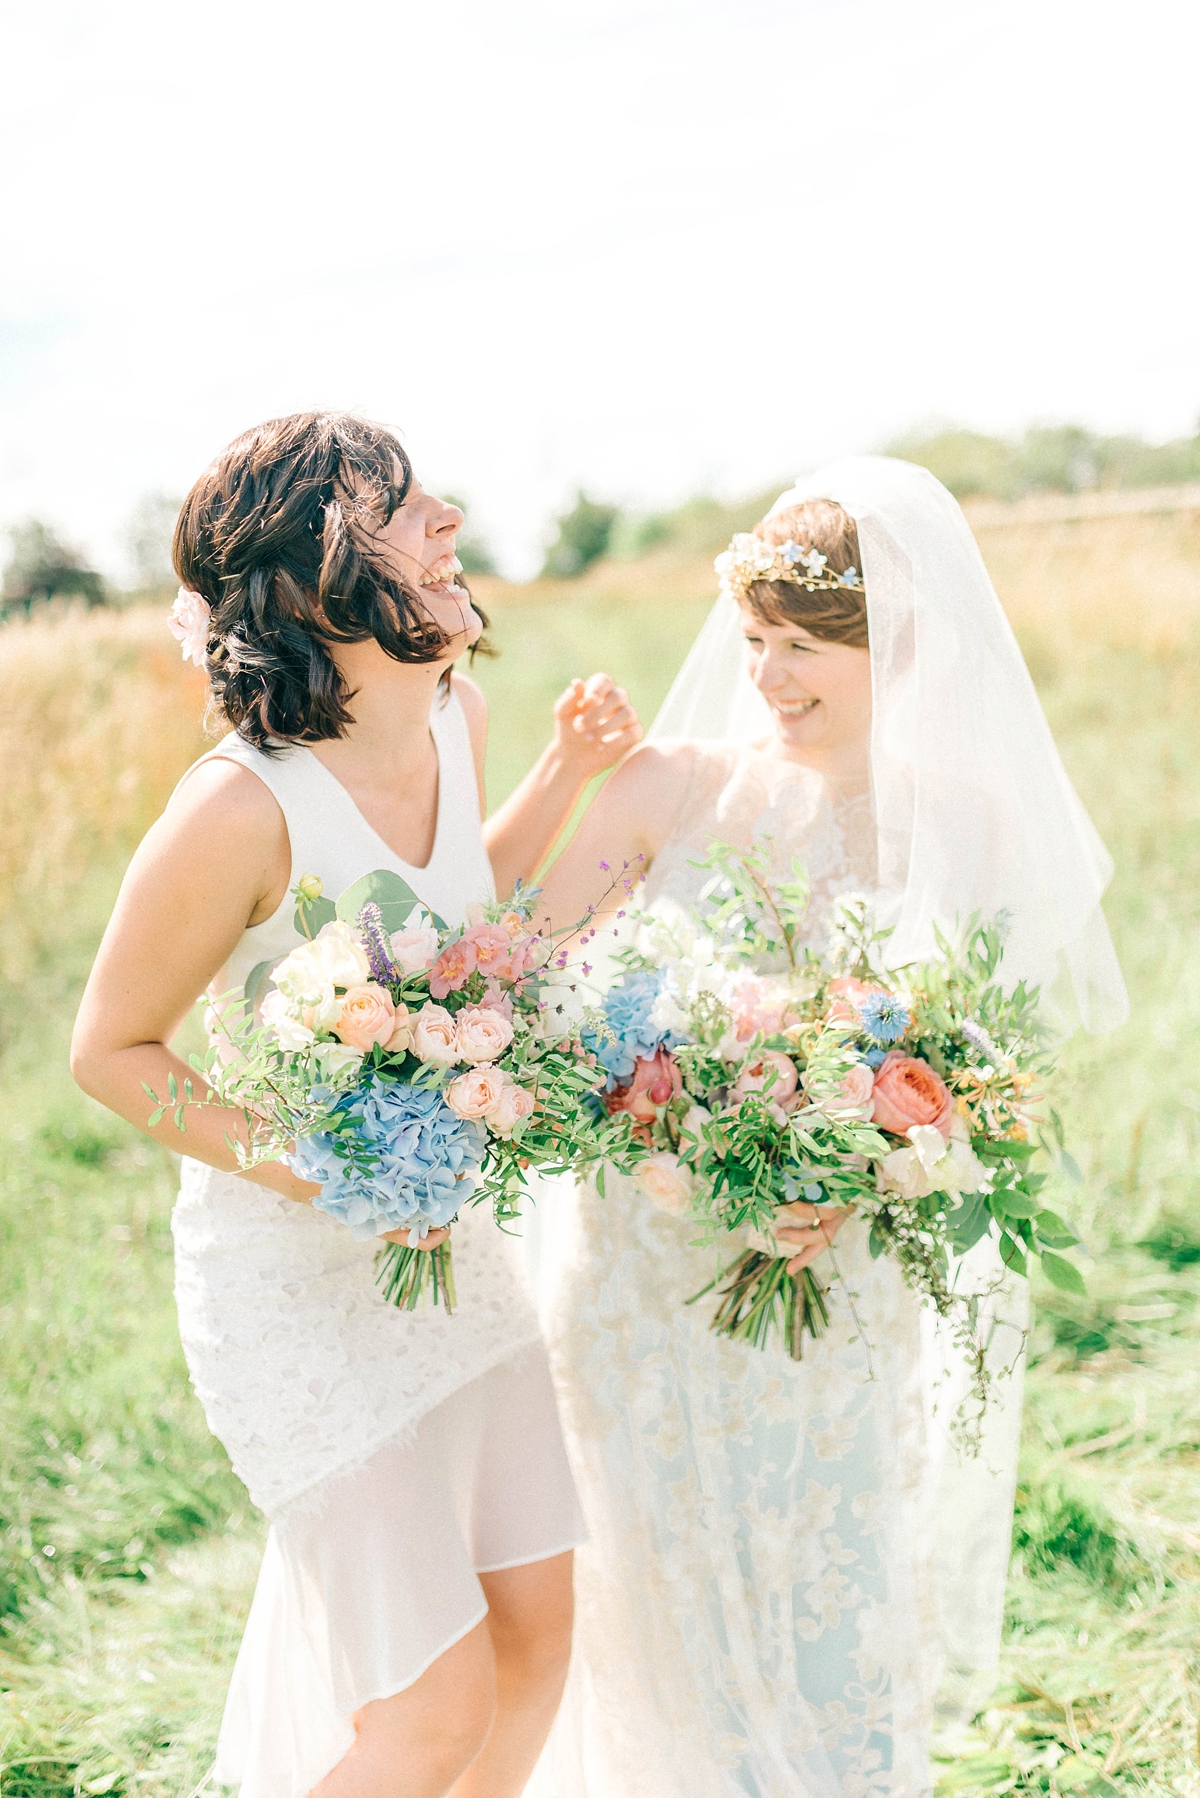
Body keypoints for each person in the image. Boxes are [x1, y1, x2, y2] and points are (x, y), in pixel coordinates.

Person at [527, 456, 1127, 1797]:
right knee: (656, 1604)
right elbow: (518, 988)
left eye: (807, 647)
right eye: (754, 641)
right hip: (637, 1280)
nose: (770, 677)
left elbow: (985, 1085)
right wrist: (646, 1105)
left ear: (899, 647)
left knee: (829, 1587)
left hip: (833, 1276)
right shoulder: (665, 791)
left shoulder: (962, 830)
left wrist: (869, 1175)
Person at [70, 411, 642, 1798]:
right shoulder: (238, 811)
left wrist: (566, 778)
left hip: (448, 1259)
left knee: (540, 1633)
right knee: (432, 1709)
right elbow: (111, 1049)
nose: (447, 519)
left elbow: (448, 927)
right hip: (293, 1288)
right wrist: (326, 1174)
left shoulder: (461, 714)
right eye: (402, 504)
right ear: (319, 576)